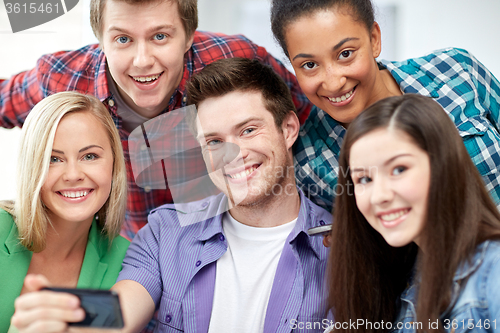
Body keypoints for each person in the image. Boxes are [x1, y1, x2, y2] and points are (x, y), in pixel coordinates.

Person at [11, 58, 331, 333]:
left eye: (248, 130)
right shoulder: (165, 232)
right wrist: (70, 315)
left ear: (288, 129)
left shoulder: (344, 248)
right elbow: (121, 308)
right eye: (214, 141)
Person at [0, 0, 312, 241]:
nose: (142, 60)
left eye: (159, 36)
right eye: (123, 39)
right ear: (101, 40)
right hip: (129, 251)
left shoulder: (238, 61)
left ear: (188, 36)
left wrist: (323, 213)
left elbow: (311, 115)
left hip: (229, 242)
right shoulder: (61, 77)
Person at [270, 0, 500, 212]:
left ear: (374, 40)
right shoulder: (308, 163)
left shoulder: (455, 70)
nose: (333, 82)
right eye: (309, 64)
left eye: (346, 54)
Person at [325, 94, 500, 332]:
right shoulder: (390, 285)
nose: (379, 195)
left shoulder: (493, 271)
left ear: (444, 165)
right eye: (364, 178)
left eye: (399, 169)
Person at [1, 91, 130, 333]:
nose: (73, 174)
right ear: (32, 165)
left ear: (114, 163)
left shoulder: (124, 261)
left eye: (89, 156)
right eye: (53, 159)